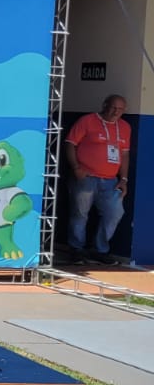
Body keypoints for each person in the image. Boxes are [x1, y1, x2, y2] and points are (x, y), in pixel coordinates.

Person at [63, 94, 132, 266]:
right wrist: (76, 168)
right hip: (86, 177)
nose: (116, 111)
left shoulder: (124, 127)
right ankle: (76, 249)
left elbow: (124, 154)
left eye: (121, 109)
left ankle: (100, 250)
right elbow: (70, 143)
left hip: (110, 180)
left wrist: (123, 179)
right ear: (105, 105)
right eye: (113, 107)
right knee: (80, 213)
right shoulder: (87, 121)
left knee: (115, 212)